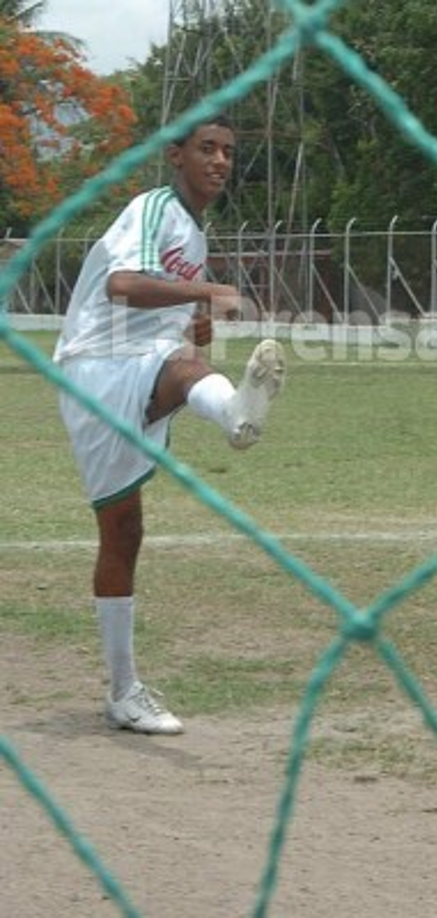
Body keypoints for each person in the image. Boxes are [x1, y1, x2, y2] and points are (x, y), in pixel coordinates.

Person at [53, 114, 285, 735]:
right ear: (174, 155)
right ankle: (232, 411)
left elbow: (168, 308)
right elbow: (123, 284)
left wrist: (196, 313)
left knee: (125, 531)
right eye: (206, 149)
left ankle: (123, 691)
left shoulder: (192, 233)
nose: (219, 161)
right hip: (98, 368)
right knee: (121, 523)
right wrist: (205, 292)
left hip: (139, 363)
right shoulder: (155, 207)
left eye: (229, 152)